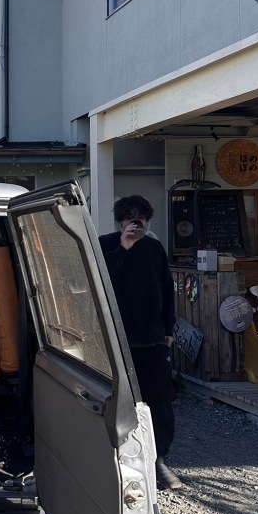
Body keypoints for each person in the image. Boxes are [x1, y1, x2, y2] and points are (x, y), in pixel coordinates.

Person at [99, 195, 183, 490]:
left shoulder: (154, 248)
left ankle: (159, 460)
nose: (136, 223)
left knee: (159, 401)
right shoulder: (106, 244)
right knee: (114, 401)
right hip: (114, 337)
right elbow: (99, 281)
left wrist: (168, 327)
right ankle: (113, 459)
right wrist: (123, 248)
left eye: (141, 218)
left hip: (152, 337)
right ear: (120, 220)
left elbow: (166, 288)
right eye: (130, 217)